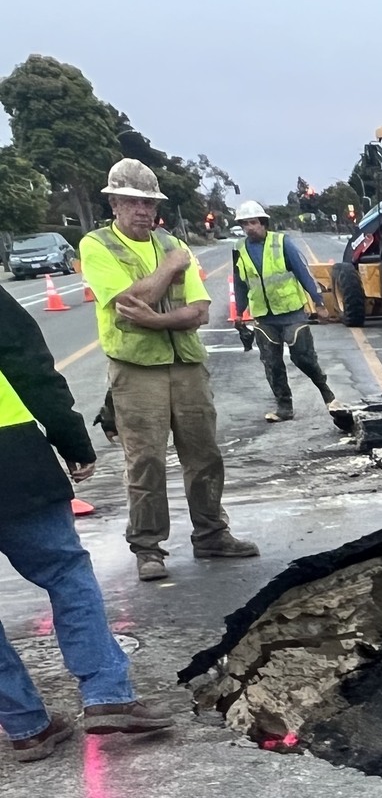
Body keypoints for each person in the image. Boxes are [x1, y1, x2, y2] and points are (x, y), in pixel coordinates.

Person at [0, 285, 177, 760]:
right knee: (65, 573)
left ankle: (26, 726)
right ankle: (107, 695)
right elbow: (31, 369)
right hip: (10, 464)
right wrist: (73, 443)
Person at [78, 158, 257, 583]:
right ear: (115, 203)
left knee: (204, 454)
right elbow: (126, 302)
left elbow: (198, 311)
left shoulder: (172, 242)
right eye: (133, 202)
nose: (143, 210)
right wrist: (170, 267)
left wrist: (155, 318)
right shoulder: (99, 244)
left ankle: (212, 533)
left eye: (148, 203)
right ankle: (147, 548)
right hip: (136, 367)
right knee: (146, 461)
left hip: (187, 361)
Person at [230, 199, 336, 425]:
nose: (249, 228)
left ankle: (328, 395)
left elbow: (303, 273)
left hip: (291, 313)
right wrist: (239, 312)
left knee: (304, 358)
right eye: (244, 224)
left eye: (253, 222)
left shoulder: (281, 243)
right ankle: (284, 407)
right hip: (264, 317)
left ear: (263, 223)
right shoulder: (239, 250)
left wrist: (319, 303)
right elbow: (241, 283)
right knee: (272, 363)